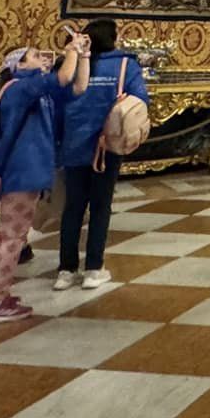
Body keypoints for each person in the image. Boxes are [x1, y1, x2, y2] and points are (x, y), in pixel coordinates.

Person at [0, 35, 82, 324]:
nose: (41, 58)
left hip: (22, 168)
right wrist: (72, 49)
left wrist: (83, 57)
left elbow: (74, 86)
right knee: (13, 238)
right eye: (33, 55)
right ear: (18, 65)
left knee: (4, 235)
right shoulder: (20, 87)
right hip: (23, 169)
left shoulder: (30, 90)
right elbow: (63, 76)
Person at [54, 18, 148, 291]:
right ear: (112, 39)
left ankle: (66, 270)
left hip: (73, 143)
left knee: (72, 207)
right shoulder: (125, 65)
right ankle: (94, 268)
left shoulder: (69, 63)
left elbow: (57, 104)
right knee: (100, 207)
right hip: (107, 146)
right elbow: (141, 100)